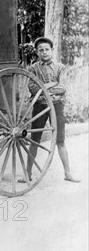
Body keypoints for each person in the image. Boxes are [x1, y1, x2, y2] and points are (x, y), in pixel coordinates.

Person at [24, 37, 80, 183]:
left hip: (56, 106)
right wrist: (51, 86)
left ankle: (68, 173)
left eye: (47, 49)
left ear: (52, 50)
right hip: (40, 106)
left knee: (60, 141)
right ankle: (27, 174)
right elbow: (31, 87)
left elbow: (63, 87)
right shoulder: (33, 68)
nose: (44, 52)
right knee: (34, 141)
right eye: (41, 50)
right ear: (37, 52)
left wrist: (43, 87)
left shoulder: (60, 67)